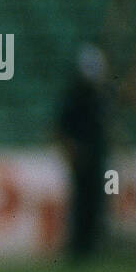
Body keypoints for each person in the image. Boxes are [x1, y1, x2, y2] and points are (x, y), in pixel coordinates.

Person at [54, 44, 111, 260]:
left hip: (97, 157)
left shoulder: (98, 95)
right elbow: (62, 128)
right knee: (82, 203)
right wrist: (71, 152)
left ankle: (90, 247)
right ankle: (79, 248)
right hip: (83, 158)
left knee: (94, 202)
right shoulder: (76, 96)